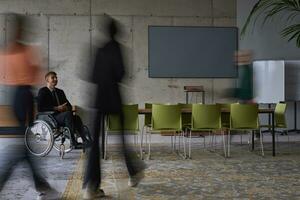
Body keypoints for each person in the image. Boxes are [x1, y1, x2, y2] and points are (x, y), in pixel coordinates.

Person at [82, 16, 145, 199]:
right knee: (123, 140)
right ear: (116, 32)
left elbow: (91, 76)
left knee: (94, 145)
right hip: (114, 98)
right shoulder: (118, 49)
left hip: (98, 99)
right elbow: (122, 74)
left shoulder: (98, 50)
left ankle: (91, 187)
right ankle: (133, 173)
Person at [0, 13, 59, 200]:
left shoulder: (10, 51)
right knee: (20, 149)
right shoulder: (18, 52)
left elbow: (26, 77)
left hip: (19, 95)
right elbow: (30, 77)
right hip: (21, 95)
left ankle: (42, 185)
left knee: (23, 147)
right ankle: (41, 185)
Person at [37, 71, 89, 148]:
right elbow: (40, 108)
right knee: (68, 115)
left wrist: (65, 108)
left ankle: (85, 140)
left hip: (61, 115)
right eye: (53, 77)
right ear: (47, 80)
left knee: (77, 118)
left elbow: (69, 106)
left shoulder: (60, 92)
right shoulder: (43, 91)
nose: (55, 79)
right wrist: (56, 108)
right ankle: (73, 142)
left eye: (56, 78)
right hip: (51, 117)